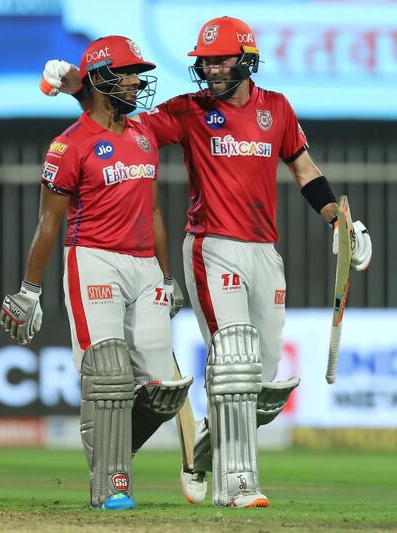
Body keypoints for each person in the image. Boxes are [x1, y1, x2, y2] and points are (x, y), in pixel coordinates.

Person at [41, 16, 372, 509]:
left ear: (246, 59)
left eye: (220, 60)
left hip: (265, 249)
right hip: (210, 246)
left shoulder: (276, 109)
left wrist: (339, 222)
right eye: (205, 62)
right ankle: (237, 486)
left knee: (259, 381)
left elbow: (305, 169)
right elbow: (119, 121)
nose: (212, 70)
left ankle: (205, 445)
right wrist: (79, 89)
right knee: (234, 360)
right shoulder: (190, 111)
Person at [0, 35, 191, 511]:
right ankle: (111, 484)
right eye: (127, 73)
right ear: (103, 79)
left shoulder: (145, 134)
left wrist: (167, 277)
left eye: (138, 74)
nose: (137, 82)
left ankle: (112, 455)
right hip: (93, 259)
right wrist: (30, 289)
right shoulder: (68, 146)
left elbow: (155, 214)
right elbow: (49, 223)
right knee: (106, 375)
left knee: (163, 389)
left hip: (146, 265)